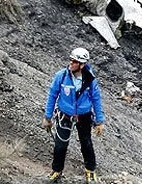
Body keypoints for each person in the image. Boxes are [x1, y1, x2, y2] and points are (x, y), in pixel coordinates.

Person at [42, 47, 105, 183]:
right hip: (65, 115)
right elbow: (52, 95)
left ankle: (90, 171)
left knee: (86, 143)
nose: (71, 63)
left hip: (84, 115)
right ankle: (56, 171)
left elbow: (96, 99)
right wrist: (48, 117)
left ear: (82, 65)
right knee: (60, 145)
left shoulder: (90, 80)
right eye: (70, 60)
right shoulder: (62, 76)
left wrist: (99, 121)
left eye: (74, 61)